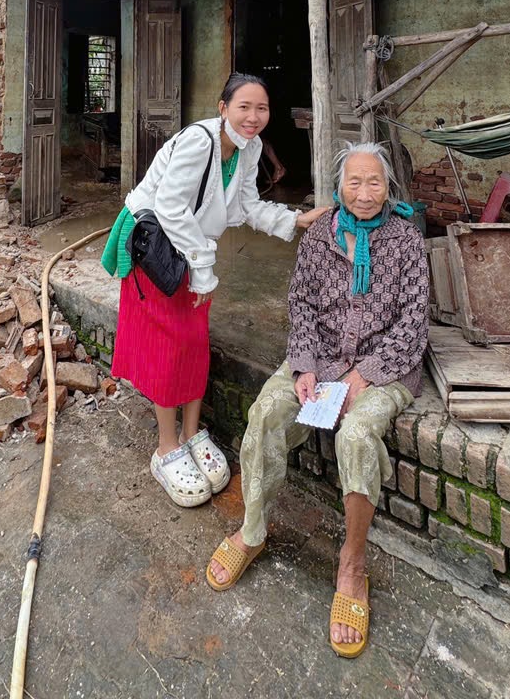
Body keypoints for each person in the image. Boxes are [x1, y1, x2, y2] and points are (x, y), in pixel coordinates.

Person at [205, 141, 429, 660]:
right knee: (264, 411)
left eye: (375, 183)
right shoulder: (320, 236)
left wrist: (364, 376)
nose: (366, 193)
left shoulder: (406, 240)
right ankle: (252, 530)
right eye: (355, 182)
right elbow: (301, 303)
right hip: (321, 360)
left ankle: (351, 565)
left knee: (355, 432)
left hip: (384, 369)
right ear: (338, 187)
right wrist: (304, 365)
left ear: (388, 187)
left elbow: (414, 323)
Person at [102, 73, 328, 509]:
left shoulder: (250, 149)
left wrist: (293, 220)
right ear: (223, 108)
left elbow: (244, 207)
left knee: (194, 342)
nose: (253, 117)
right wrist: (202, 269)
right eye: (243, 107)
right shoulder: (197, 142)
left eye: (261, 108)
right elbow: (168, 207)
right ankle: (166, 447)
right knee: (169, 344)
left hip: (191, 250)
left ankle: (191, 433)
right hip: (155, 248)